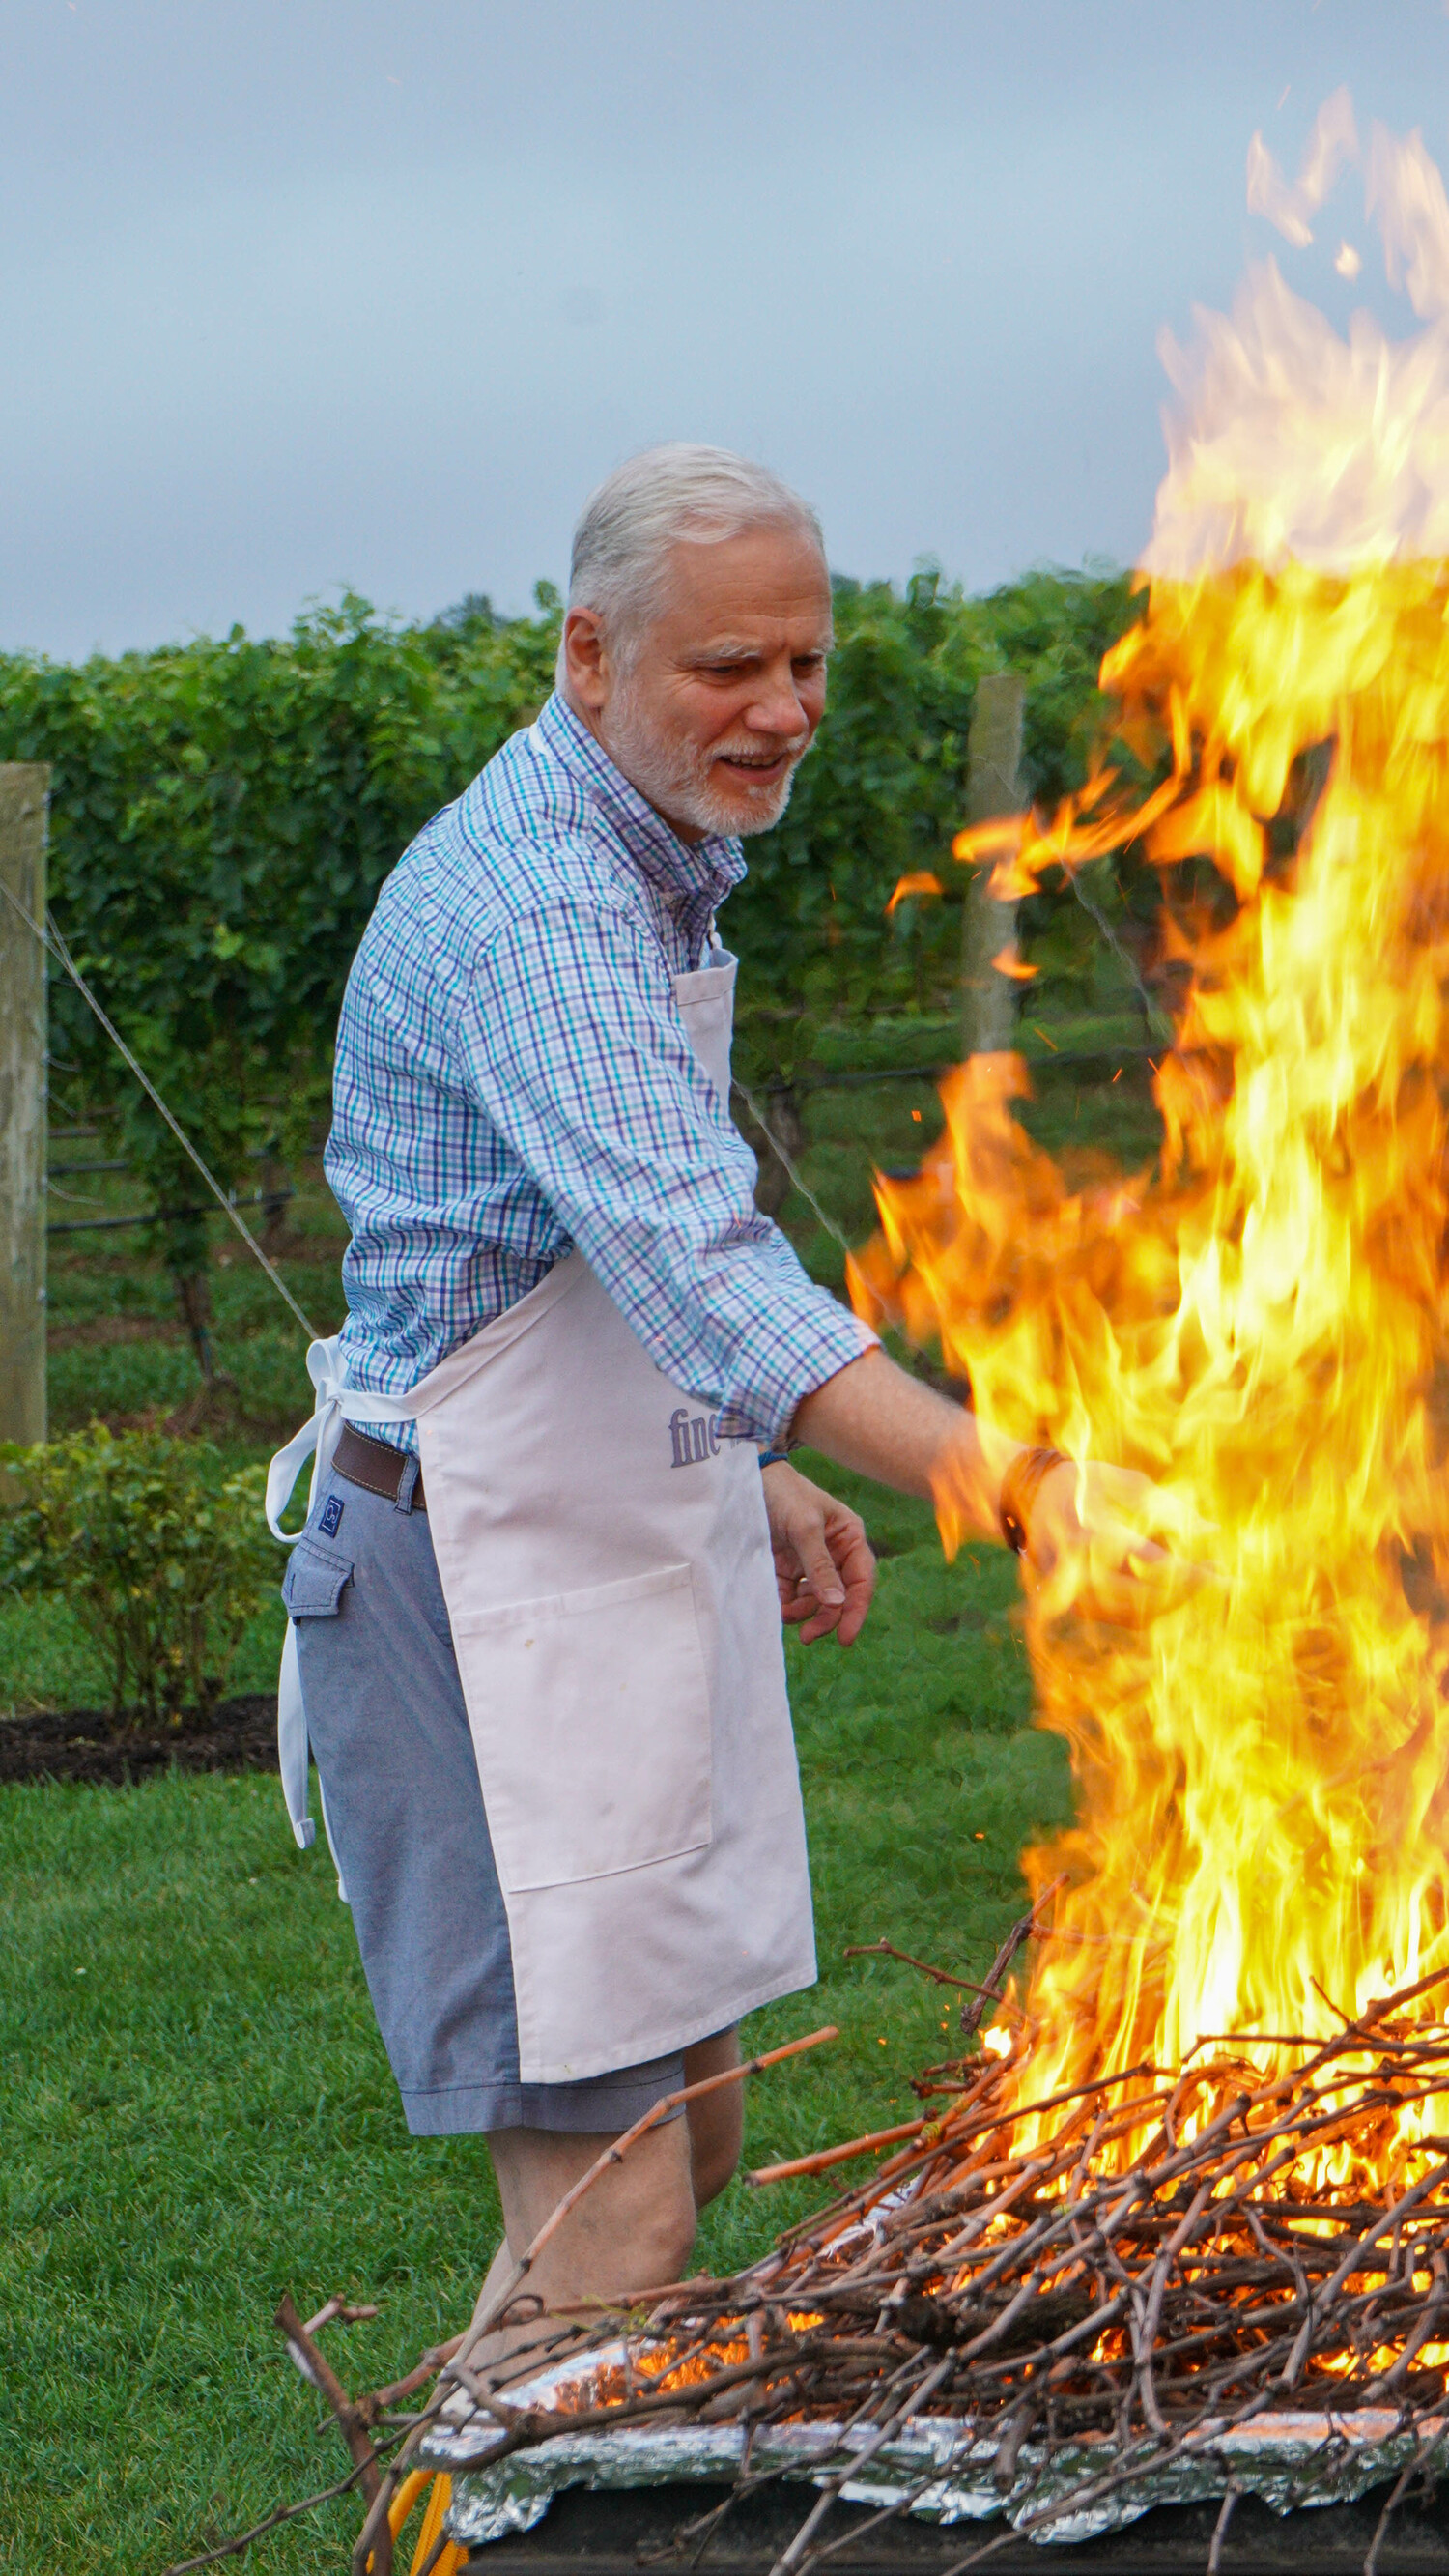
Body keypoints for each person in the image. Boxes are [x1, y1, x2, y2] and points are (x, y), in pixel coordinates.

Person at [268, 444, 1175, 2364]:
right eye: (726, 670)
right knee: (618, 2218)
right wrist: (1013, 1482)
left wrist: (739, 1465)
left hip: (582, 1544)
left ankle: (509, 2483)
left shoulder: (652, 852)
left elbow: (561, 1246)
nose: (783, 711)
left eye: (807, 664)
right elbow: (698, 1264)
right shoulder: (540, 912)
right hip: (468, 1597)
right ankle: (505, 2503)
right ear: (590, 655)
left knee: (696, 2125)